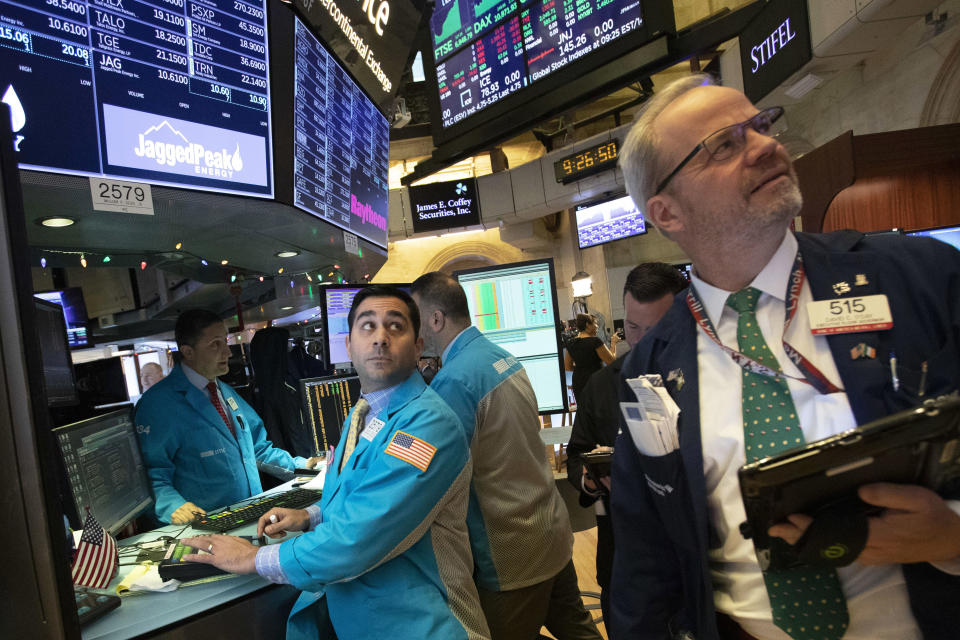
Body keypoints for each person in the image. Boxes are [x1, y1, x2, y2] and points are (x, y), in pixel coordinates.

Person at [609, 73, 960, 639]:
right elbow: (646, 560)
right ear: (667, 214)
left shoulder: (920, 278)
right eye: (724, 145)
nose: (768, 146)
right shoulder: (648, 368)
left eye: (761, 125)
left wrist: (953, 536)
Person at [182, 286, 489, 640]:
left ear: (418, 346)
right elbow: (360, 492)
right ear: (349, 346)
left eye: (395, 326)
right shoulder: (368, 410)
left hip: (422, 624)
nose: (380, 339)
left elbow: (357, 539)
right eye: (367, 326)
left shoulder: (426, 425)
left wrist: (251, 558)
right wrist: (311, 516)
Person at [411, 272, 601, 640]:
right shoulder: (501, 357)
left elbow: (439, 474)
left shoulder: (455, 382)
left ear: (435, 320)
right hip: (550, 533)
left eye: (415, 320)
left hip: (510, 556)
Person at [565, 262, 687, 623]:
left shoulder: (706, 380)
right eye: (633, 328)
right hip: (623, 555)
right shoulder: (602, 386)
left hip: (693, 555)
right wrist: (590, 479)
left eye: (658, 329)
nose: (642, 341)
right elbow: (575, 453)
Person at [136, 309, 319, 524]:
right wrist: (173, 506)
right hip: (204, 526)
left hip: (249, 515)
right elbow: (149, 476)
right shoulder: (158, 405)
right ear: (188, 351)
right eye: (215, 344)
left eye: (225, 341)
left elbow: (257, 449)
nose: (227, 352)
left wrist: (304, 466)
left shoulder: (223, 391)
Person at [564, 313, 618, 403]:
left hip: (578, 382)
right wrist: (613, 343)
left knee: (584, 412)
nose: (597, 326)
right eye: (595, 323)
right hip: (596, 381)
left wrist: (582, 369)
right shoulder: (595, 341)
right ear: (587, 325)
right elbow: (611, 362)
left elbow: (568, 367)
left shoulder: (571, 343)